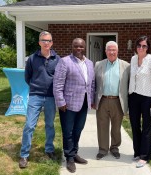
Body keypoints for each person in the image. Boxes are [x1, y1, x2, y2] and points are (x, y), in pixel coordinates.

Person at [18, 31, 60, 169]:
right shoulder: (32, 58)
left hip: (50, 97)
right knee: (29, 125)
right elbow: (27, 77)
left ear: (52, 43)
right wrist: (35, 88)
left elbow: (59, 78)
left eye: (48, 40)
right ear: (39, 42)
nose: (46, 43)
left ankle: (49, 149)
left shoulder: (57, 59)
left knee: (49, 125)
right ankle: (24, 154)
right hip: (35, 96)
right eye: (43, 40)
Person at [53, 38, 95, 173]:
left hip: (84, 102)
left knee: (78, 129)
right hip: (68, 104)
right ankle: (69, 157)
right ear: (72, 47)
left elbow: (91, 83)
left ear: (85, 48)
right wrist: (61, 102)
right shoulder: (65, 62)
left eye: (81, 47)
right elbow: (58, 84)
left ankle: (74, 152)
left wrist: (92, 99)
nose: (79, 49)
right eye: (76, 46)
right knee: (68, 131)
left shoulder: (89, 63)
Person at [128, 36, 151, 168]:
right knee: (135, 125)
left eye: (144, 46)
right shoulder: (134, 58)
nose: (141, 48)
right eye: (139, 45)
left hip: (147, 98)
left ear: (148, 47)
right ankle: (137, 151)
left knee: (146, 127)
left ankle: (145, 156)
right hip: (134, 96)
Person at [94, 41, 130, 160]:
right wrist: (93, 99)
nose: (112, 52)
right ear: (105, 51)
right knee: (102, 126)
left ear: (117, 51)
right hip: (102, 100)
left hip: (117, 100)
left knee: (116, 127)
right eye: (109, 50)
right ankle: (103, 149)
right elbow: (93, 84)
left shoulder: (126, 66)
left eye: (114, 50)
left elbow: (129, 84)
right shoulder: (98, 64)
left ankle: (114, 147)